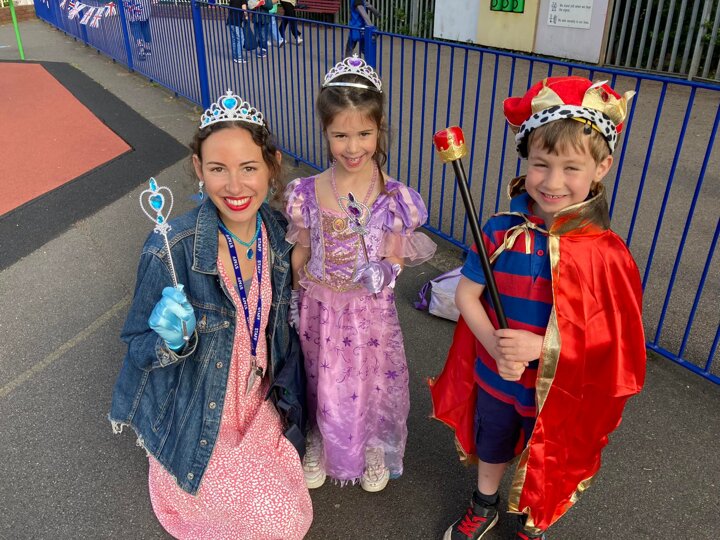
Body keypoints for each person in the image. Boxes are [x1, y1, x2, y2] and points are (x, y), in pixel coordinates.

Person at [432, 76, 647, 540]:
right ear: (525, 159)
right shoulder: (499, 230)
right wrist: (495, 345)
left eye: (571, 168)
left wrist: (541, 347)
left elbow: (613, 342)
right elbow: (467, 294)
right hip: (497, 376)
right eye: (541, 164)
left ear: (602, 167)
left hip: (559, 392)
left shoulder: (606, 254)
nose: (552, 182)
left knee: (548, 453)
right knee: (492, 440)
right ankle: (484, 503)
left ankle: (535, 521)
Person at [109, 90, 313, 539]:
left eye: (249, 167)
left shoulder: (281, 234)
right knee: (274, 524)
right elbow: (137, 346)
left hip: (260, 404)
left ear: (273, 165)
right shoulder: (171, 248)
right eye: (218, 168)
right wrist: (171, 341)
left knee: (288, 516)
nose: (235, 187)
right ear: (199, 169)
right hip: (197, 416)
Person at [285, 55, 437, 492]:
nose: (353, 147)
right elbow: (302, 249)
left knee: (367, 380)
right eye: (340, 135)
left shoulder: (394, 197)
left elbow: (397, 256)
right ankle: (320, 438)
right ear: (325, 131)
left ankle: (371, 442)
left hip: (368, 312)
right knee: (321, 378)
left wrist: (385, 272)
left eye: (364, 134)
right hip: (319, 309)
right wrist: (293, 299)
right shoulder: (307, 192)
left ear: (379, 128)